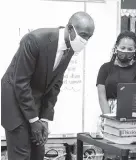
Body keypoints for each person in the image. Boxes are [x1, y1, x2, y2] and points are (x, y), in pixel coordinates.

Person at [1, 11, 95, 160]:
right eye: (83, 35)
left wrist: (44, 119)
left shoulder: (70, 48)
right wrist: (33, 121)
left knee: (38, 153)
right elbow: (20, 83)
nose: (85, 41)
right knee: (22, 155)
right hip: (14, 100)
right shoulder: (35, 40)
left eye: (89, 37)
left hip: (34, 102)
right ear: (70, 28)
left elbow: (55, 84)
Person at [96, 31, 136, 115]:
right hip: (108, 112)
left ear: (135, 50)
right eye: (123, 48)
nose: (125, 51)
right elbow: (102, 97)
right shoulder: (105, 68)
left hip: (132, 113)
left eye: (130, 49)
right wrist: (108, 117)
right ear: (116, 47)